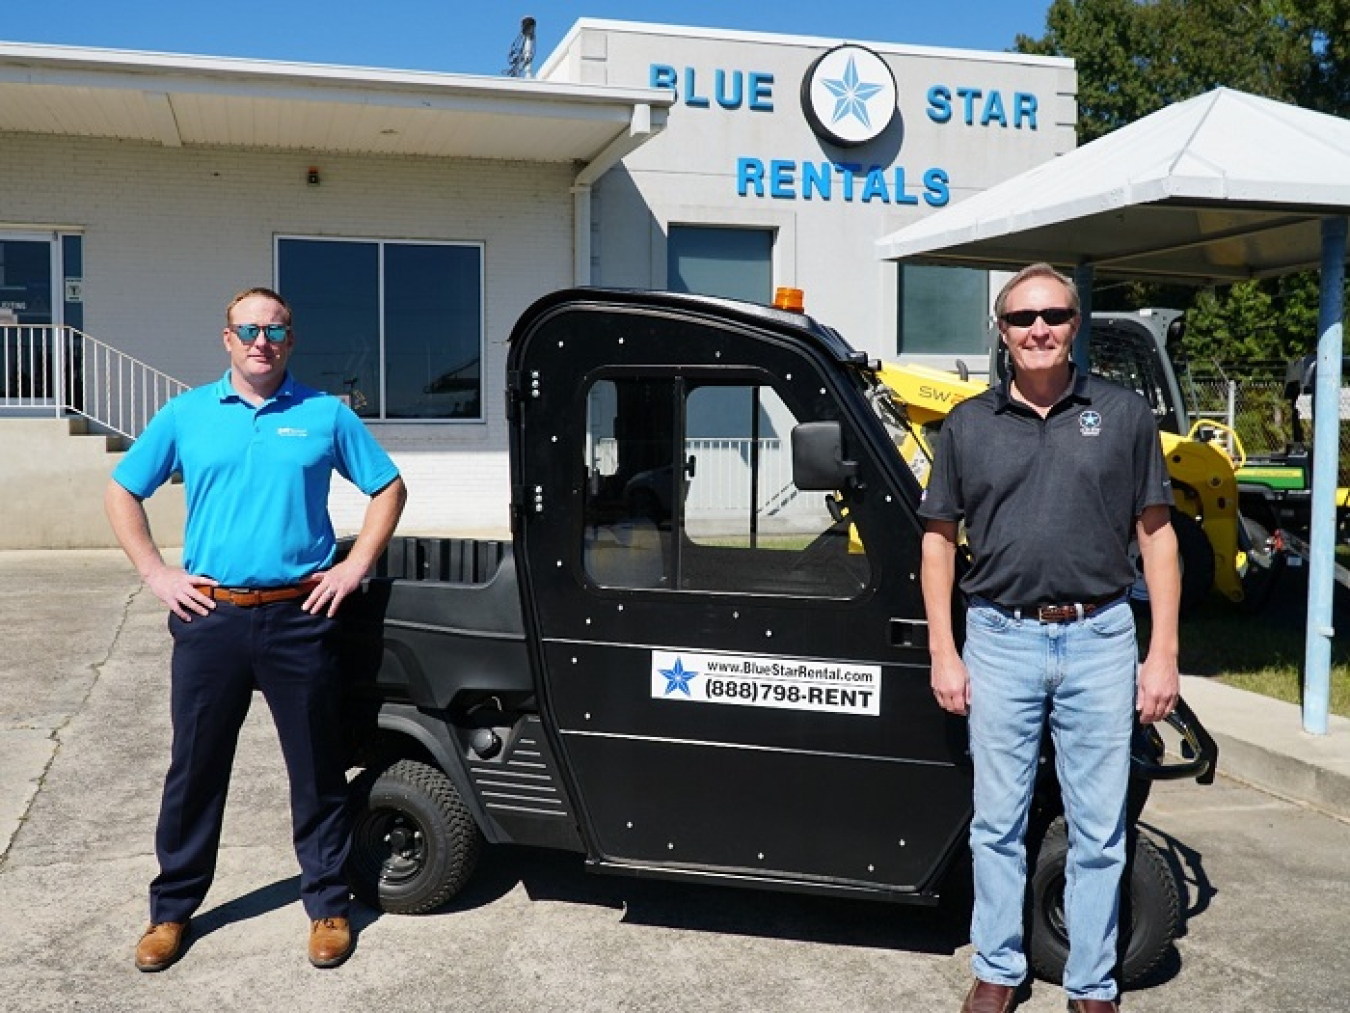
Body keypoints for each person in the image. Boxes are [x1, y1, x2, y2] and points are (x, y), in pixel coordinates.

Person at [105, 286, 407, 972]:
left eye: (274, 329)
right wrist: (157, 574)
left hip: (301, 617)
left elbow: (387, 487)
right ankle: (171, 910)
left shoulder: (325, 415)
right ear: (227, 338)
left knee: (317, 765)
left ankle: (329, 903)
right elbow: (123, 489)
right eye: (248, 328)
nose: (260, 340)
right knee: (195, 768)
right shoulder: (187, 414)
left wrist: (354, 565)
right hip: (210, 618)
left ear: (290, 340)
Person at [918, 263, 1180, 1013]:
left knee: (1099, 828)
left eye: (1055, 315)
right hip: (1000, 638)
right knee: (996, 824)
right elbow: (938, 542)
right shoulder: (968, 424)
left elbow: (1157, 538)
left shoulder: (1124, 414)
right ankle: (999, 968)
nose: (1039, 328)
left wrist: (1160, 651)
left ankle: (1092, 985)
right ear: (1001, 332)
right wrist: (946, 647)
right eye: (1023, 317)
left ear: (1075, 326)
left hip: (1100, 637)